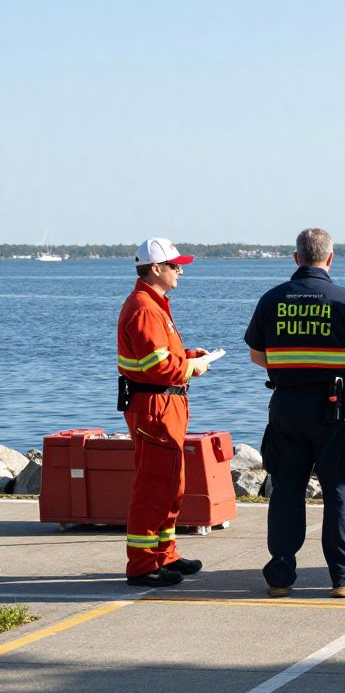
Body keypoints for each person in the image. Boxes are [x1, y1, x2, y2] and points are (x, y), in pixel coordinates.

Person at [245, 228, 345, 598]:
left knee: (286, 490)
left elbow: (257, 356)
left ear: (296, 258)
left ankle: (280, 576)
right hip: (334, 408)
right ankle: (343, 577)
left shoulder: (272, 300)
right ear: (330, 258)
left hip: (287, 405)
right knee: (338, 491)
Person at [118, 238, 212, 587]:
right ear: (155, 269)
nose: (180, 270)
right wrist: (192, 368)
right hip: (155, 407)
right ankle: (143, 564)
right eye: (174, 266)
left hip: (165, 404)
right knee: (154, 485)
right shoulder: (145, 308)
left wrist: (188, 355)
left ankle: (165, 552)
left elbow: (158, 355)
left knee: (172, 482)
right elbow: (156, 365)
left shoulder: (153, 305)